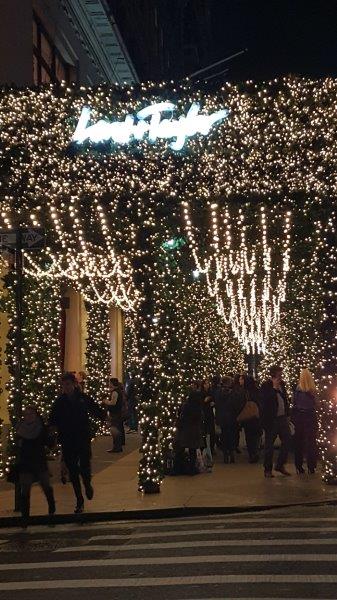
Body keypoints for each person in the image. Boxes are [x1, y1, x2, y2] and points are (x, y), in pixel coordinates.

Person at [49, 372, 103, 513]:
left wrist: (104, 417)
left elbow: (95, 409)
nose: (66, 387)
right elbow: (53, 419)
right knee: (73, 470)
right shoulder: (60, 402)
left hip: (82, 437)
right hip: (67, 439)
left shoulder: (83, 398)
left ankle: (87, 483)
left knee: (85, 466)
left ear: (74, 384)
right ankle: (79, 500)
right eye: (63, 385)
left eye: (68, 384)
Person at [17, 405, 55, 527]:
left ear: (36, 415)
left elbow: (49, 443)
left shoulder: (41, 428)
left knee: (45, 486)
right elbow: (18, 446)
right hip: (25, 462)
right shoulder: (20, 429)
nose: (28, 417)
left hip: (39, 461)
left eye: (31, 414)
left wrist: (50, 436)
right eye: (26, 415)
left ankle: (51, 508)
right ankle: (25, 517)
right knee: (25, 490)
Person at [260, 365, 292, 478]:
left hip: (282, 418)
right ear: (274, 373)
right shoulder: (266, 385)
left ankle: (280, 464)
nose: (281, 375)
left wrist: (287, 413)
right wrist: (274, 388)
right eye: (279, 373)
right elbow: (265, 400)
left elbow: (284, 399)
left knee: (287, 440)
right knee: (269, 444)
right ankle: (267, 469)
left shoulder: (282, 384)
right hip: (271, 419)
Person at [174, 382, 203, 475]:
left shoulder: (186, 405)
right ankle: (191, 469)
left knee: (180, 449)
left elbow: (181, 416)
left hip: (185, 430)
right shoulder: (198, 407)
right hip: (194, 431)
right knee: (192, 450)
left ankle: (177, 468)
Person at [292, 368, 318, 474]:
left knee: (299, 441)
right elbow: (316, 403)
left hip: (299, 417)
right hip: (310, 416)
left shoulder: (297, 390)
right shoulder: (312, 391)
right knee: (311, 442)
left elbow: (294, 403)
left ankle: (298, 466)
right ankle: (311, 466)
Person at [215, 376, 246, 463]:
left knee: (224, 436)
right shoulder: (233, 393)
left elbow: (217, 404)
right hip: (231, 417)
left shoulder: (218, 392)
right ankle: (231, 454)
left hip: (222, 417)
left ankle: (225, 455)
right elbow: (236, 405)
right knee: (231, 435)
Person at [234, 374, 262, 463]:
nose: (239, 381)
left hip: (247, 417)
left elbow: (239, 404)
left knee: (249, 436)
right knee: (256, 435)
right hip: (256, 416)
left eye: (241, 379)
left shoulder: (244, 392)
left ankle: (252, 453)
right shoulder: (257, 390)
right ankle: (255, 451)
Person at [104, 377, 124, 453]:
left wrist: (106, 401)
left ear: (112, 383)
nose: (109, 384)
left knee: (115, 430)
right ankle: (118, 447)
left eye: (110, 383)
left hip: (115, 413)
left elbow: (113, 403)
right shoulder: (117, 391)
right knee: (116, 430)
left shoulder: (115, 392)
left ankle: (116, 447)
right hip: (117, 413)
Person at [201, 379, 216, 454]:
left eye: (208, 383)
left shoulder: (211, 392)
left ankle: (212, 448)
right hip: (204, 414)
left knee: (212, 432)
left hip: (210, 413)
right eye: (205, 384)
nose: (207, 385)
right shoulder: (201, 393)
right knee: (204, 431)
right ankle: (205, 448)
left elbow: (214, 400)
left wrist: (213, 403)